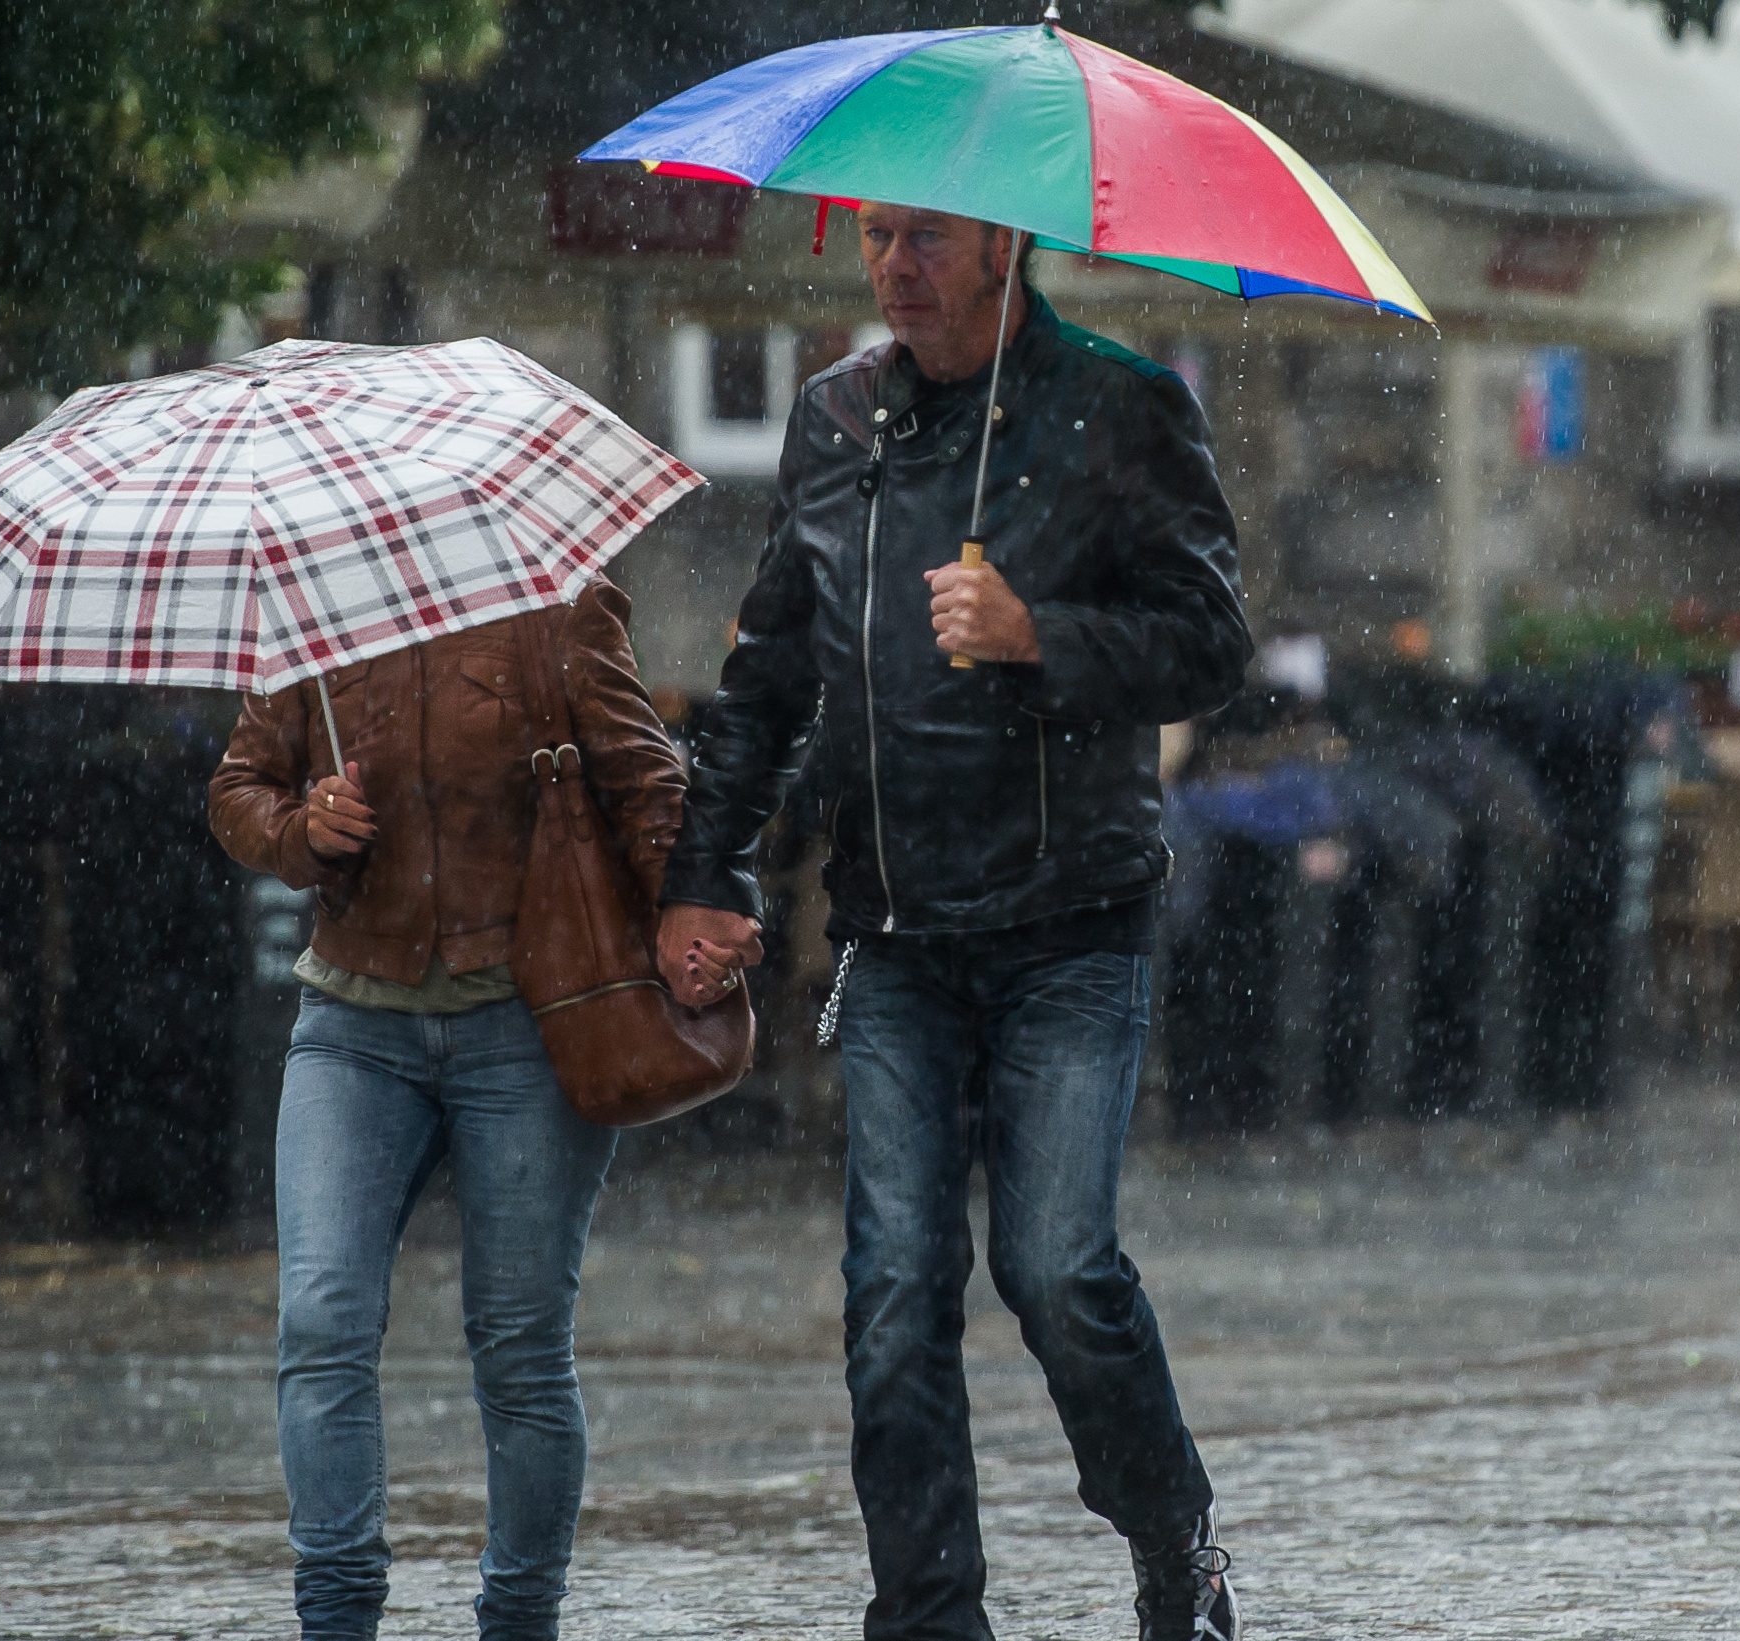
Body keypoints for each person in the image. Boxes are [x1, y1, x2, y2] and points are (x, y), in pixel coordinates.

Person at [655, 203, 1254, 1641]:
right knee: (892, 1294)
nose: (893, 266)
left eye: (924, 238)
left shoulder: (1124, 405)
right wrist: (703, 870)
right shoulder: (834, 421)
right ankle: (927, 1619)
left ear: (1004, 243)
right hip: (898, 931)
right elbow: (767, 677)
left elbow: (1211, 644)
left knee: (1056, 1271)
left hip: (1073, 921)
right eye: (873, 237)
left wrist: (1043, 635)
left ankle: (1174, 1537)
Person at [209, 586, 685, 1641]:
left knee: (518, 1343)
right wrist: (300, 828)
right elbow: (239, 786)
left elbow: (645, 778)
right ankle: (336, 1618)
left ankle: (520, 1618)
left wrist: (697, 909)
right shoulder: (316, 607)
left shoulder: (562, 605)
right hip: (351, 1021)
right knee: (321, 1321)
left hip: (524, 1018)